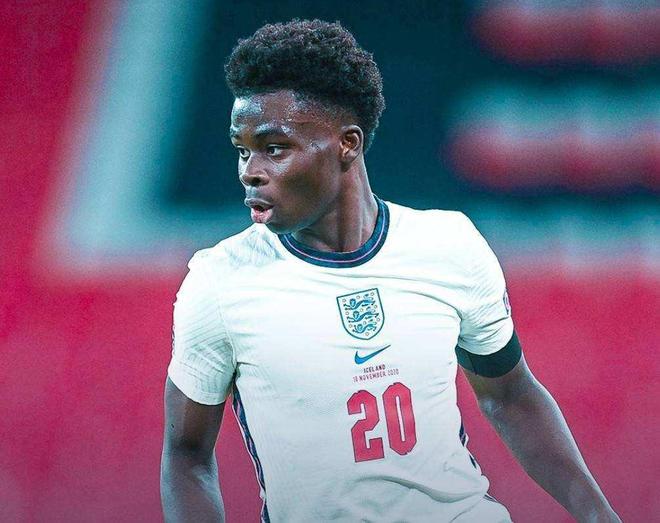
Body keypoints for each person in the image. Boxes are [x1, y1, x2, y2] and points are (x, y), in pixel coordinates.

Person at [160, 19, 619, 523]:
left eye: (274, 148)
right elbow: (187, 456)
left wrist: (599, 515)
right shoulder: (219, 282)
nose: (250, 170)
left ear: (347, 144)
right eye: (242, 149)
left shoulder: (448, 245)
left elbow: (510, 396)